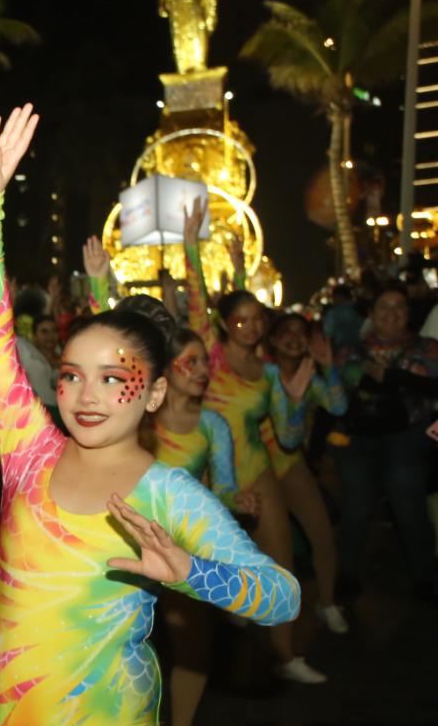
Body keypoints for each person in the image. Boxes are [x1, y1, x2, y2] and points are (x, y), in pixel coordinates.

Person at [0, 105, 299, 726]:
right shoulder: (26, 450)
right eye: (71, 376)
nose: (86, 395)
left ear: (151, 396)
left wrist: (194, 574)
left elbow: (281, 594)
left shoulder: (167, 493)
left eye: (117, 379)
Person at [181, 199, 321, 683]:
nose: (252, 325)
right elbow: (198, 299)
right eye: (240, 319)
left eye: (257, 319)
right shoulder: (210, 358)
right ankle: (209, 659)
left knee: (280, 561)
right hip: (211, 476)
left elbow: (285, 435)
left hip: (258, 472)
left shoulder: (266, 374)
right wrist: (191, 245)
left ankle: (287, 654)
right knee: (210, 573)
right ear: (224, 325)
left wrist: (297, 398)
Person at [143, 324, 255, 726]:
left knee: (193, 643)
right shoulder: (140, 420)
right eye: (192, 361)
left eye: (206, 360)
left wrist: (238, 499)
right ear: (168, 369)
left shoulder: (212, 425)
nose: (204, 370)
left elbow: (223, 486)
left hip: (182, 553)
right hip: (129, 547)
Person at [333, 284, 438, 598]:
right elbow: (333, 394)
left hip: (408, 435)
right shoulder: (349, 350)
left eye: (400, 307)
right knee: (356, 505)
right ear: (371, 312)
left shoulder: (428, 348)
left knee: (408, 503)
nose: (392, 314)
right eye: (384, 307)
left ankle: (424, 578)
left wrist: (395, 378)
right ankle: (347, 574)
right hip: (357, 437)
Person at [264, 312, 350, 631]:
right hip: (255, 469)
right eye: (285, 331)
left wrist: (328, 366)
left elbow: (339, 407)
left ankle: (326, 602)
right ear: (272, 339)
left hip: (290, 465)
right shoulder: (263, 375)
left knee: (323, 536)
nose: (294, 337)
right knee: (267, 549)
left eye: (301, 332)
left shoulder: (311, 377)